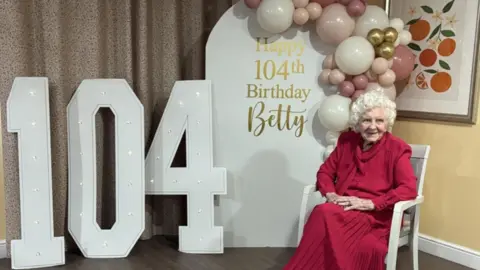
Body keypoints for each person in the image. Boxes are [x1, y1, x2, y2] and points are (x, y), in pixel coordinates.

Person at [284, 90, 418, 270]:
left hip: (376, 216)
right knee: (324, 211)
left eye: (379, 120)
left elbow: (408, 189)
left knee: (323, 213)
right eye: (366, 120)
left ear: (387, 123)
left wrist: (371, 203)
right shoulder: (347, 142)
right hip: (342, 208)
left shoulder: (397, 148)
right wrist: (330, 193)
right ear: (357, 122)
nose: (373, 126)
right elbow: (325, 173)